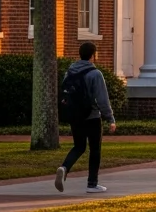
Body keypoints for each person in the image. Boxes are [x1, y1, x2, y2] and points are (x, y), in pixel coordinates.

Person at [55, 41, 116, 194]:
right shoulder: (95, 74)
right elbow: (102, 99)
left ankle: (64, 167)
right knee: (95, 149)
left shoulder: (69, 72)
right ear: (93, 56)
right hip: (92, 116)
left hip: (75, 115)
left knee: (79, 146)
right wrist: (110, 118)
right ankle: (92, 184)